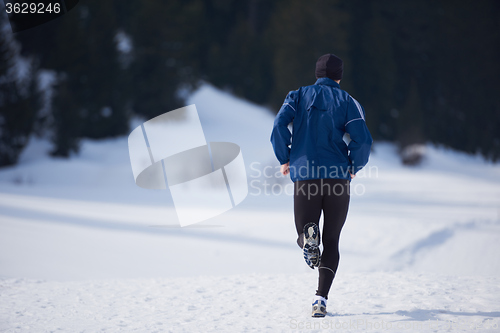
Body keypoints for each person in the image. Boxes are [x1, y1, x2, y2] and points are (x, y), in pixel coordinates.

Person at [270, 53, 372, 317]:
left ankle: (307, 238)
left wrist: (285, 157)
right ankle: (320, 299)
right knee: (332, 240)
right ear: (339, 75)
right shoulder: (348, 101)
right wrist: (353, 166)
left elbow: (279, 124)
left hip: (305, 175)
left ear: (317, 73)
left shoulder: (297, 96)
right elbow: (364, 140)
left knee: (304, 233)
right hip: (337, 176)